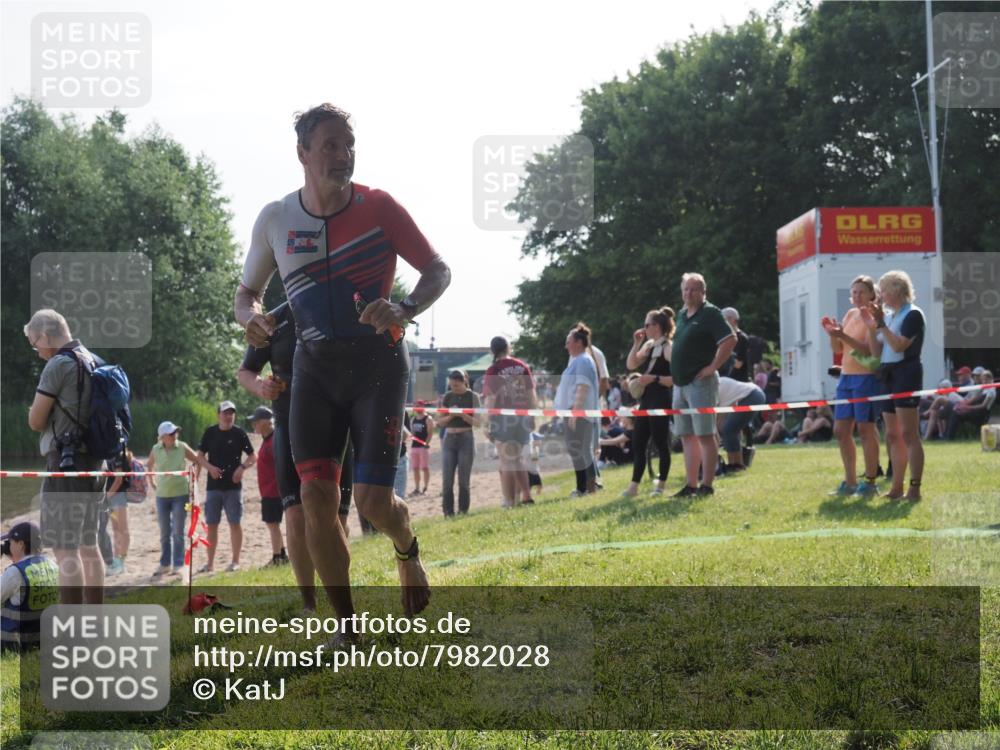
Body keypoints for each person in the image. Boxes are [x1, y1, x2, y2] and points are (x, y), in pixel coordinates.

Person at [235, 104, 450, 624]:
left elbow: (437, 270)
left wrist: (404, 307)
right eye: (329, 144)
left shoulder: (379, 208)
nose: (342, 153)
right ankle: (346, 628)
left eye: (348, 143)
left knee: (375, 503)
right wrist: (253, 319)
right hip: (313, 371)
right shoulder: (276, 218)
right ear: (303, 154)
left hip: (377, 365)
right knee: (315, 499)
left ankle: (407, 551)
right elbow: (247, 294)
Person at [237, 301, 353, 611]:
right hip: (289, 424)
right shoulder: (274, 319)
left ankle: (340, 601)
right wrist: (261, 387)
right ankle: (309, 603)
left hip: (337, 425)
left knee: (336, 517)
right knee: (296, 514)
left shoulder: (340, 304)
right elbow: (245, 371)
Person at [23, 309, 105, 604]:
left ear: (45, 336)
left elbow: (35, 421)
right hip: (96, 464)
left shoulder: (58, 364)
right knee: (88, 544)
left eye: (35, 343)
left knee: (64, 549)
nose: (36, 351)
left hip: (66, 464)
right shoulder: (93, 360)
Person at [670, 273, 738, 498]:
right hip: (680, 384)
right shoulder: (681, 314)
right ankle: (691, 485)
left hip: (701, 383)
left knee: (705, 435)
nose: (688, 293)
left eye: (693, 289)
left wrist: (712, 367)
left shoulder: (710, 313)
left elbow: (730, 339)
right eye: (685, 289)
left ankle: (707, 485)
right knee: (687, 436)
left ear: (703, 292)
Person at [861, 270, 926, 501]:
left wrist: (881, 324)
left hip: (906, 373)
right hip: (887, 374)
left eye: (884, 289)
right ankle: (896, 487)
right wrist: (872, 327)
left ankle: (915, 488)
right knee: (892, 434)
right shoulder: (888, 316)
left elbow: (899, 346)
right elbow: (877, 352)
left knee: (909, 433)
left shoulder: (913, 315)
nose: (881, 295)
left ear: (898, 290)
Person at [821, 275, 882, 497]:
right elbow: (838, 348)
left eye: (861, 292)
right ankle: (850, 482)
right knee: (840, 430)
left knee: (866, 429)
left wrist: (843, 335)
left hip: (865, 377)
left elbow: (868, 350)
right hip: (846, 376)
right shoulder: (850, 314)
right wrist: (833, 334)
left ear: (872, 294)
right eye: (854, 292)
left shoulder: (873, 317)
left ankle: (871, 481)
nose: (856, 296)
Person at [197, 401, 256, 573]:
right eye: (225, 413)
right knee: (212, 524)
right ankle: (210, 564)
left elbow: (253, 456)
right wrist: (210, 468)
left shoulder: (239, 433)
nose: (228, 416)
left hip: (233, 487)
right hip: (213, 486)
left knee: (234, 523)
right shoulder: (210, 432)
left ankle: (235, 561)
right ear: (218, 415)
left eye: (231, 413)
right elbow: (199, 456)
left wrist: (242, 468)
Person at [622, 307, 675, 497]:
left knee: (661, 443)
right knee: (638, 442)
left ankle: (660, 485)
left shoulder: (668, 347)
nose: (644, 328)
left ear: (657, 326)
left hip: (661, 399)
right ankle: (633, 486)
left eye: (647, 324)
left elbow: (677, 377)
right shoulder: (649, 345)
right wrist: (637, 343)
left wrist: (655, 378)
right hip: (646, 399)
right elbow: (631, 365)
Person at [483, 336, 538, 508]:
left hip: (503, 417)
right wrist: (532, 416)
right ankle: (526, 496)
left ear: (492, 351)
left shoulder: (493, 369)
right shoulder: (521, 366)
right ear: (509, 347)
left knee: (506, 460)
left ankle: (509, 502)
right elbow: (531, 394)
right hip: (522, 415)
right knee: (517, 459)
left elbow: (490, 399)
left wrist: (487, 422)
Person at [146, 421, 201, 577]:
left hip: (180, 494)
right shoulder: (156, 449)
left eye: (175, 432)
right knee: (164, 532)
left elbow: (197, 460)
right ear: (162, 437)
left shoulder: (182, 446)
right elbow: (149, 466)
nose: (174, 435)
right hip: (162, 496)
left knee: (178, 531)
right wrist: (152, 482)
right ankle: (165, 564)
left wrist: (194, 480)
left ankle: (178, 564)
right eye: (171, 433)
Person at [555, 326, 600, 496]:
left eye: (569, 342)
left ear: (579, 343)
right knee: (579, 451)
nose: (566, 346)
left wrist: (575, 410)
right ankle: (585, 487)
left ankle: (587, 488)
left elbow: (583, 387)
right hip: (576, 413)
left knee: (580, 450)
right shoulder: (580, 360)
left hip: (578, 413)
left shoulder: (582, 360)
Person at [1, 522, 59, 653]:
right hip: (45, 637)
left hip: (15, 641)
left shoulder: (14, 573)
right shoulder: (52, 565)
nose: (8, 546)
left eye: (10, 542)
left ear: (21, 544)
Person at [247, 406, 288, 567]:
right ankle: (282, 555)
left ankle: (277, 557)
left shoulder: (274, 441)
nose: (253, 425)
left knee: (273, 525)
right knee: (273, 525)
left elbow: (282, 466)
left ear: (265, 422)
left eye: (255, 422)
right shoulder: (268, 440)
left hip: (274, 491)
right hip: (269, 490)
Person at [440, 370, 481, 516]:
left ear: (464, 381)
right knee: (447, 480)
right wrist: (451, 416)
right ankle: (448, 512)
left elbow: (478, 423)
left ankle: (463, 511)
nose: (454, 388)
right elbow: (440, 421)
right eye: (451, 385)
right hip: (449, 439)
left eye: (456, 385)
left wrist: (463, 415)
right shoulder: (448, 396)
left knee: (463, 481)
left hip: (466, 438)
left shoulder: (473, 397)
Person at [716, 377, 766, 472]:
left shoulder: (714, 387)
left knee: (728, 431)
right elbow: (720, 418)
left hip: (752, 395)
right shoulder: (719, 383)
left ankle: (737, 464)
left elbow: (719, 420)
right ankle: (735, 462)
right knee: (730, 430)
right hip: (754, 393)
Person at [103, 447, 135, 575]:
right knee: (116, 530)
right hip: (111, 496)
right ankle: (116, 561)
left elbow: (118, 480)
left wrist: (106, 497)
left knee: (123, 529)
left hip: (118, 496)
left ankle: (121, 561)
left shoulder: (118, 455)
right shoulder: (106, 454)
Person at [944, 370, 995, 439]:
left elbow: (983, 406)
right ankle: (946, 435)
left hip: (980, 414)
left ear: (991, 379)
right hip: (975, 411)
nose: (984, 381)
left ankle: (949, 437)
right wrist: (963, 405)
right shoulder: (984, 389)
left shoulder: (991, 391)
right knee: (953, 411)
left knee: (955, 414)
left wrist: (968, 407)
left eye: (986, 379)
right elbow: (975, 399)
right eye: (983, 380)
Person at [408, 403, 434, 495]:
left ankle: (425, 487)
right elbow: (412, 433)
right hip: (414, 446)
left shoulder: (428, 419)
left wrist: (426, 443)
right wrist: (411, 436)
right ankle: (417, 488)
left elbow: (430, 432)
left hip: (423, 447)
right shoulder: (413, 419)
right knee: (415, 468)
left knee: (425, 467)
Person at [720, 307, 751, 382]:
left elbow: (738, 364)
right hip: (725, 380)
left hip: (738, 382)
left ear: (732, 319)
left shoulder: (742, 338)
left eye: (723, 320)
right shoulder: (724, 337)